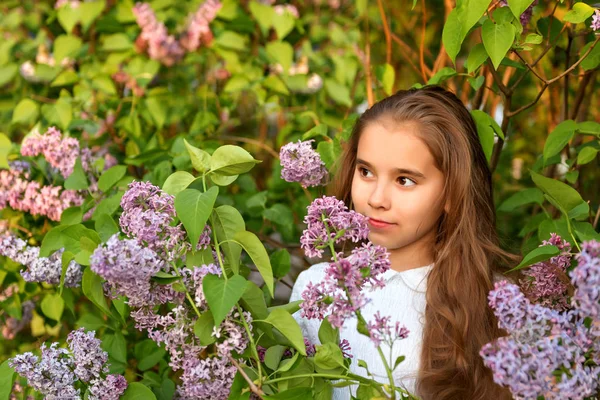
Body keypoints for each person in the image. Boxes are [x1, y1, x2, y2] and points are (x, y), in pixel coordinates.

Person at [290, 86, 517, 400]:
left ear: (452, 192)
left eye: (404, 180)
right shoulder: (316, 289)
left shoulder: (498, 303)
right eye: (366, 171)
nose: (377, 199)